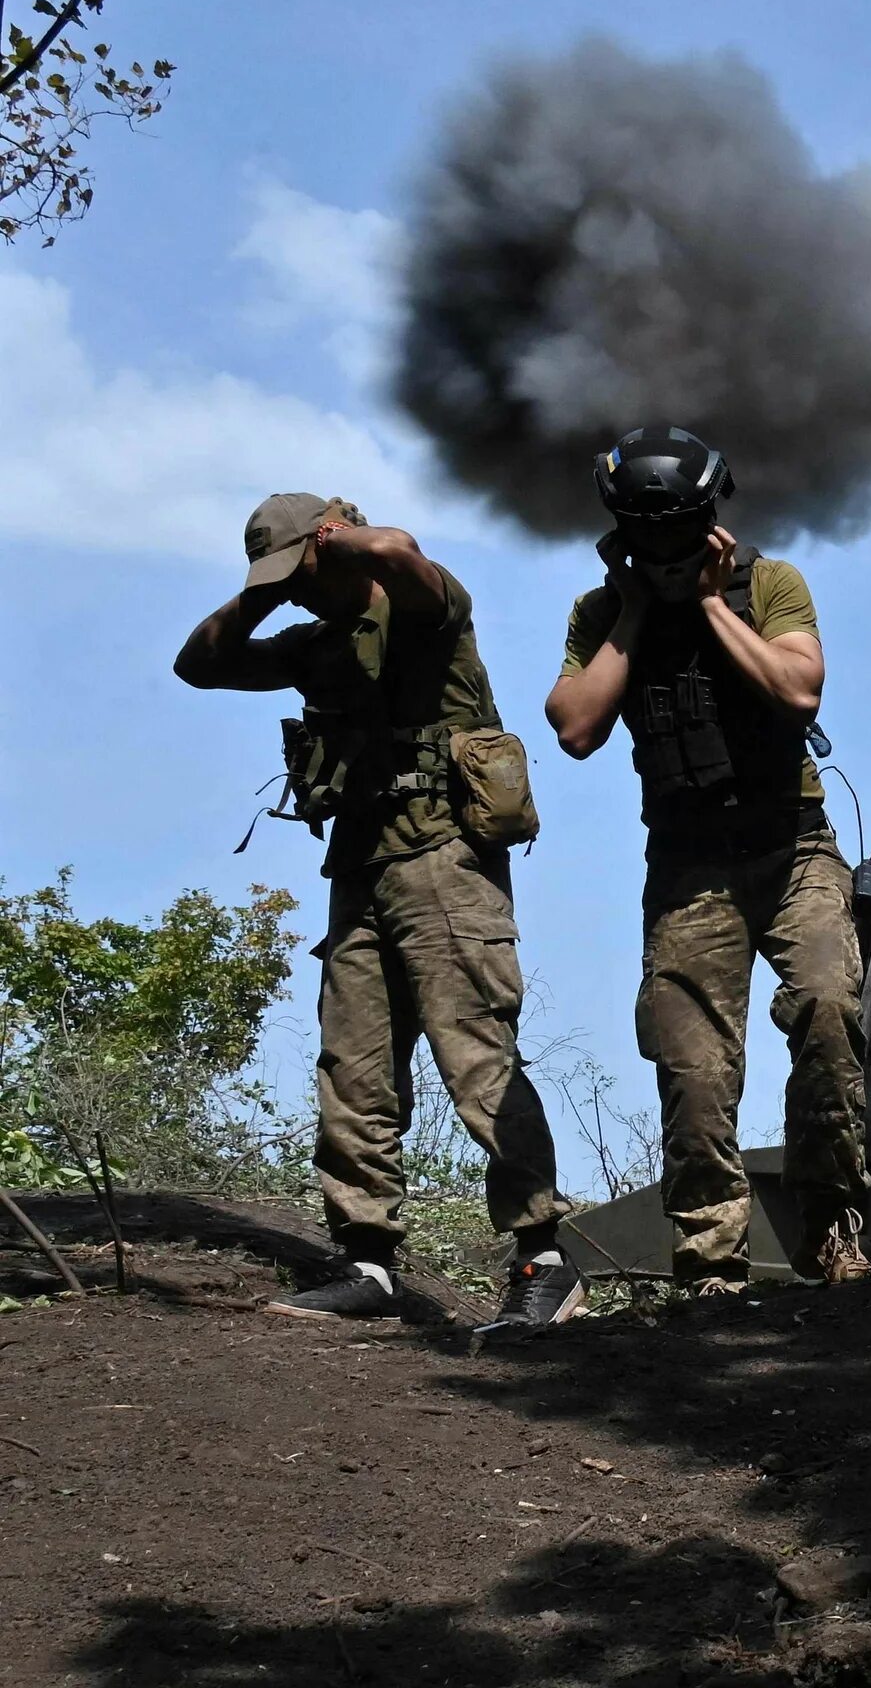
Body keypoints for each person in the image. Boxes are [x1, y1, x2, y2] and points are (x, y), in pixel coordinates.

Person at [174, 496, 580, 1329]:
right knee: (352, 1070)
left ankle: (546, 1258)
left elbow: (396, 550)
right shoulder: (312, 644)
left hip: (444, 862)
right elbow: (199, 665)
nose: (295, 592)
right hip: (359, 866)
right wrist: (265, 591)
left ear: (334, 544)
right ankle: (368, 1264)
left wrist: (340, 542)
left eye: (300, 572)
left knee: (477, 1060)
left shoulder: (426, 613)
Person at [543, 428, 871, 1292]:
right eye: (645, 533)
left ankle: (832, 1227)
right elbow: (575, 727)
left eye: (678, 529)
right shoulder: (598, 615)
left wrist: (712, 604)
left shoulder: (767, 584)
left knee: (832, 1013)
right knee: (693, 1066)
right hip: (690, 866)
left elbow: (799, 689)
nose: (663, 546)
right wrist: (644, 609)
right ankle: (711, 1266)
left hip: (793, 846)